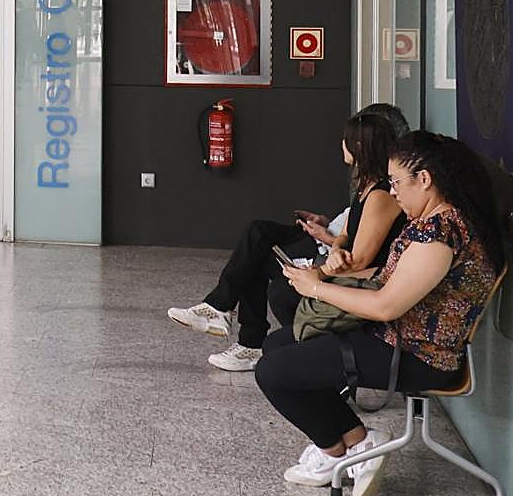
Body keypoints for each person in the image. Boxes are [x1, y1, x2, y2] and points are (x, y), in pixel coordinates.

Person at [257, 131, 505, 496]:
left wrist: (316, 289)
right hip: (395, 338)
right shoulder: (434, 221)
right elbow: (387, 282)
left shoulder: (441, 234)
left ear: (425, 179)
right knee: (279, 344)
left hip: (418, 355)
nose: (393, 193)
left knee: (274, 372)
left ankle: (342, 448)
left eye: (396, 183)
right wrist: (325, 273)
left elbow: (387, 306)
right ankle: (352, 445)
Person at [167, 107, 407, 371]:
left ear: (359, 146)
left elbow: (360, 259)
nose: (341, 144)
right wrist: (335, 243)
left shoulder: (381, 195)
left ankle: (242, 332)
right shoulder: (366, 187)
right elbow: (347, 235)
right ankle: (234, 327)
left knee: (268, 270)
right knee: (257, 241)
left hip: (355, 274)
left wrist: (323, 264)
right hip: (333, 256)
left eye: (345, 139)